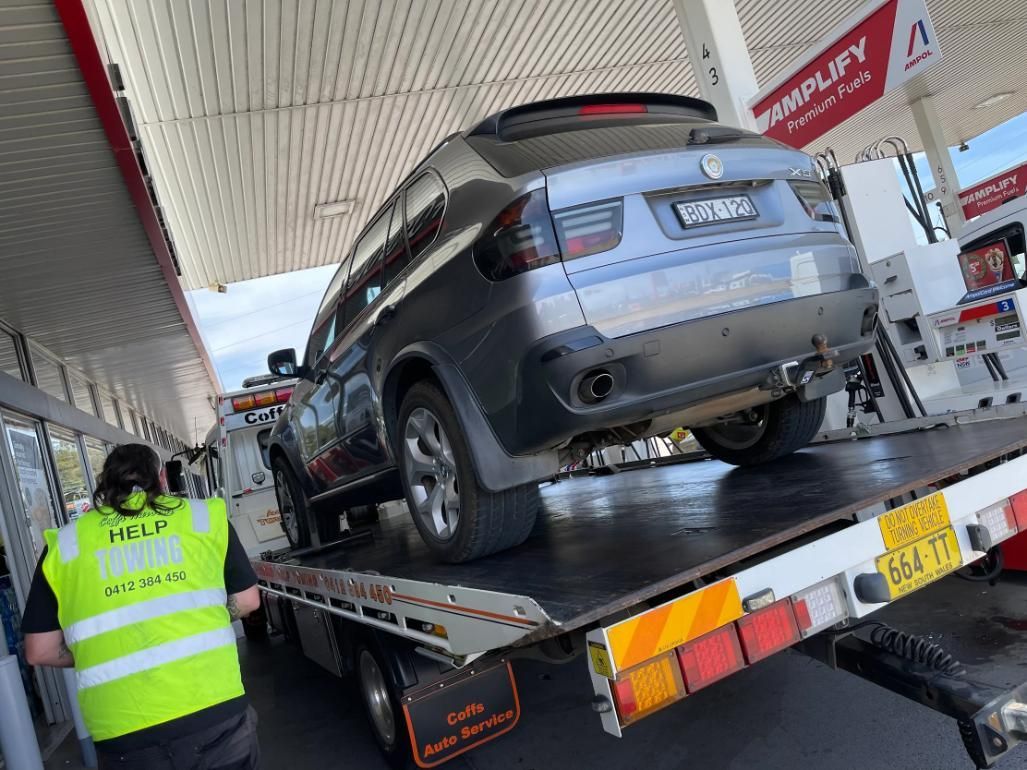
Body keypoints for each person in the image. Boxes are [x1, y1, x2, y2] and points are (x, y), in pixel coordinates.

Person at [21, 443, 262, 769]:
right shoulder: (203, 517)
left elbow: (39, 651)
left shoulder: (65, 544)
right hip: (215, 714)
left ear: (104, 483)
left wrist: (98, 650)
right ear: (161, 478)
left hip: (123, 734)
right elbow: (247, 600)